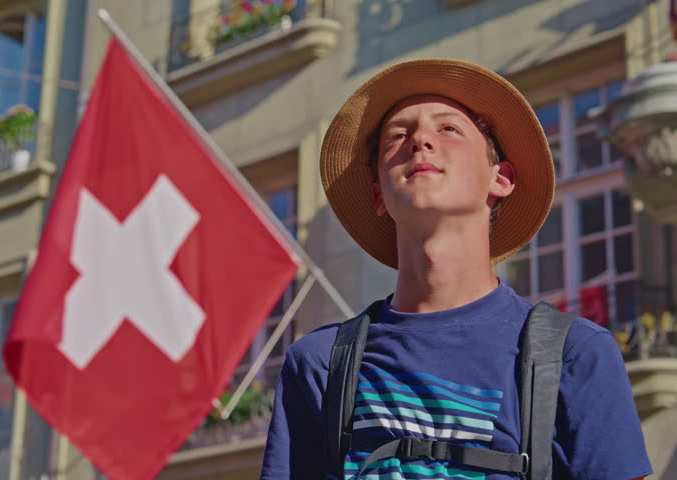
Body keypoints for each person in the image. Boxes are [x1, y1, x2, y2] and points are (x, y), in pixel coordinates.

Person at [260, 59, 652, 480]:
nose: (420, 141)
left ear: (500, 178)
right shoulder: (321, 363)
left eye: (448, 129)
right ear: (379, 195)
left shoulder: (575, 353)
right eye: (397, 136)